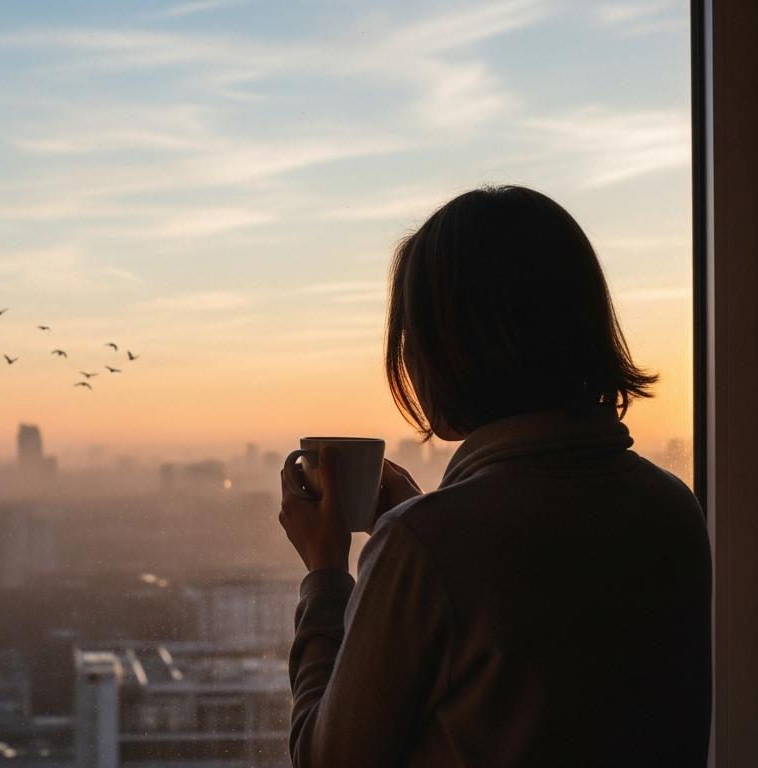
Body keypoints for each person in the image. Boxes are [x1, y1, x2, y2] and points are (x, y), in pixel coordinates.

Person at [278, 186, 711, 766]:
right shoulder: (670, 508)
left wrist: (327, 574)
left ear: (445, 347)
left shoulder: (426, 547)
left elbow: (324, 759)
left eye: (412, 335)